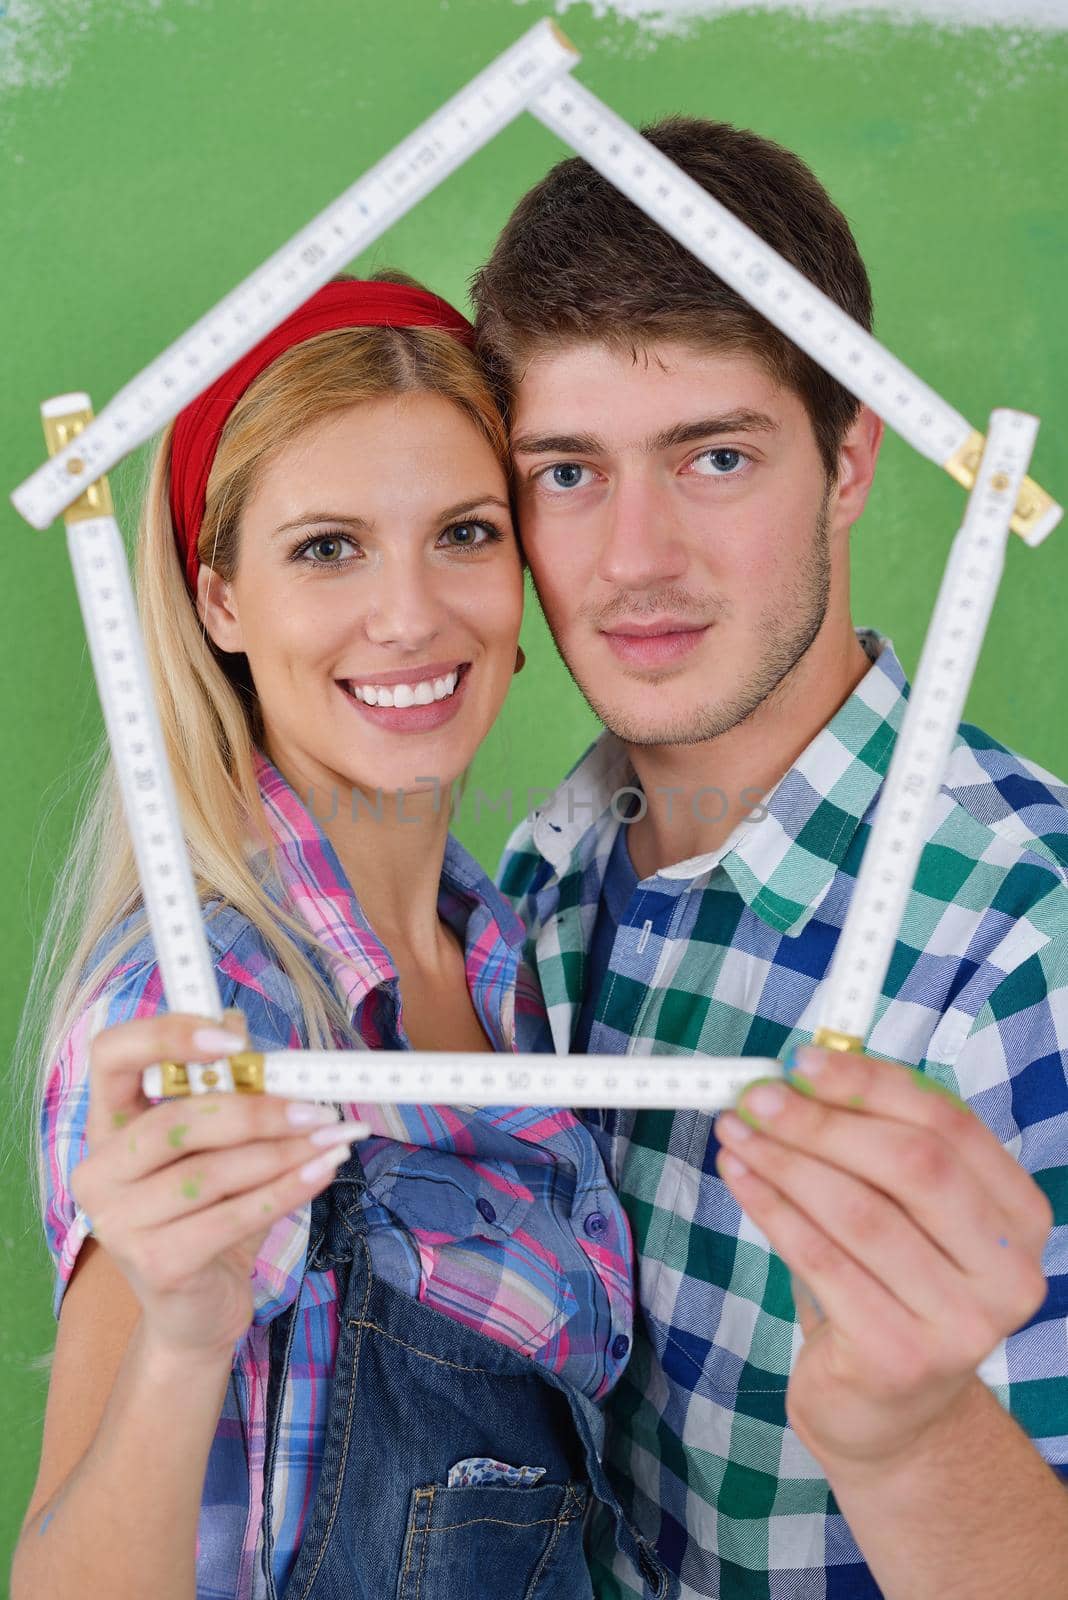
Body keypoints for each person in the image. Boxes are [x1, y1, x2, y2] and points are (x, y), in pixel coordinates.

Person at [470, 117, 1068, 1598]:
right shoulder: (532, 886)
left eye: (716, 456)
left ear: (851, 457)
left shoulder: (1022, 948)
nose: (635, 560)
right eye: (567, 472)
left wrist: (913, 1431)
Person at [11, 275, 670, 1600]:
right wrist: (185, 1344)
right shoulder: (209, 1015)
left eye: (465, 535)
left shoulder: (509, 951)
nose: (412, 616)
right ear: (220, 600)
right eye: (327, 548)